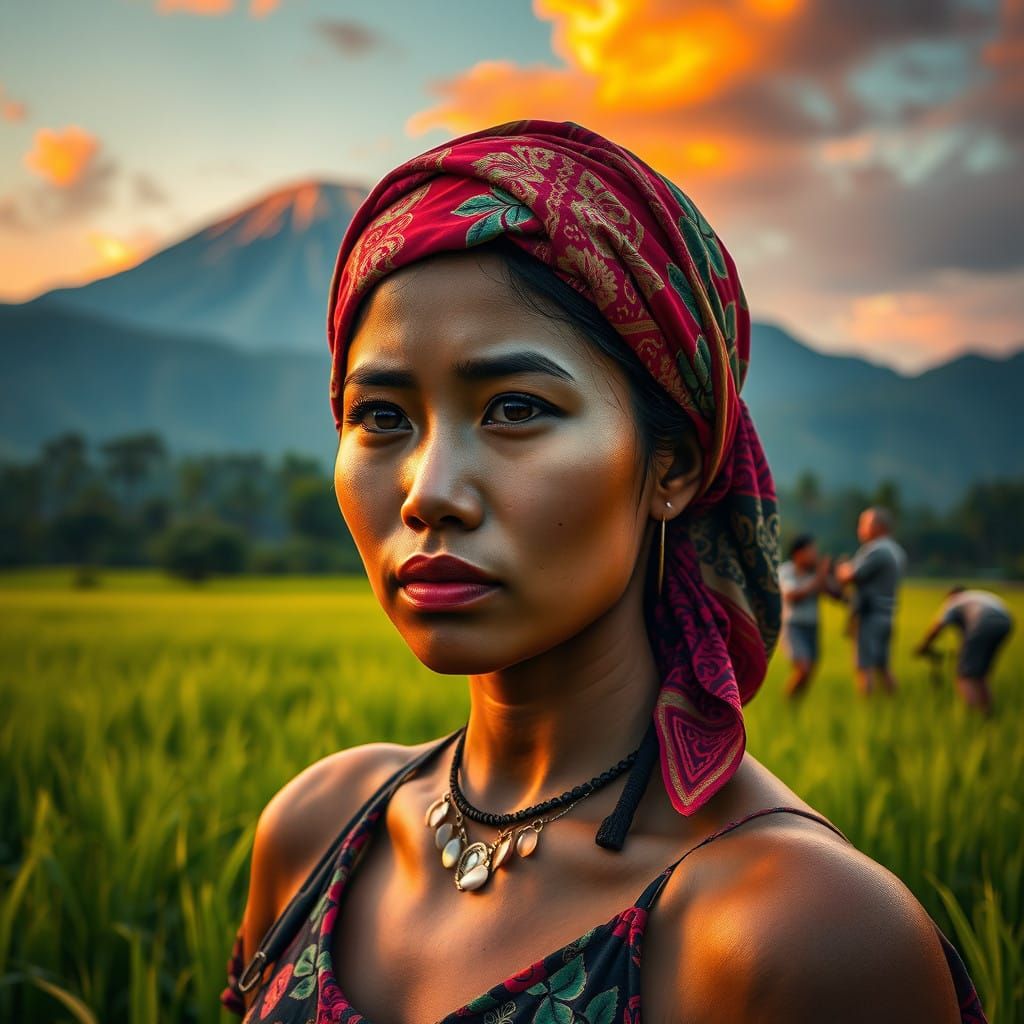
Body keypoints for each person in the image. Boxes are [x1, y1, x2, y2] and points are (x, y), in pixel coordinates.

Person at [221, 122, 985, 1023]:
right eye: (380, 417)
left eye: (514, 408)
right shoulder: (314, 828)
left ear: (673, 467)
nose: (429, 493)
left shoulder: (798, 935)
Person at [835, 506, 908, 697]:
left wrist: (842, 568)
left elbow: (851, 575)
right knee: (882, 666)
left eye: (863, 524)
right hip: (887, 614)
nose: (860, 529)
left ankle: (866, 707)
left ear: (878, 526)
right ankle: (894, 702)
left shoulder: (876, 549)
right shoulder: (896, 550)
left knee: (864, 666)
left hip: (869, 615)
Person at [915, 586, 1014, 715]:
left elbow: (937, 627)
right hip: (1005, 621)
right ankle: (988, 712)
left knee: (965, 675)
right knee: (979, 674)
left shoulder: (955, 602)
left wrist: (924, 646)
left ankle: (974, 715)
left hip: (983, 622)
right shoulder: (975, 597)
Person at [777, 534, 844, 698]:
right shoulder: (786, 571)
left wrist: (835, 575)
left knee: (809, 672)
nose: (815, 554)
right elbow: (792, 596)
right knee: (804, 668)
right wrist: (819, 577)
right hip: (794, 626)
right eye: (811, 551)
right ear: (798, 553)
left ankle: (794, 706)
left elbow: (837, 595)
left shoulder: (815, 573)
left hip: (813, 626)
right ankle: (787, 702)